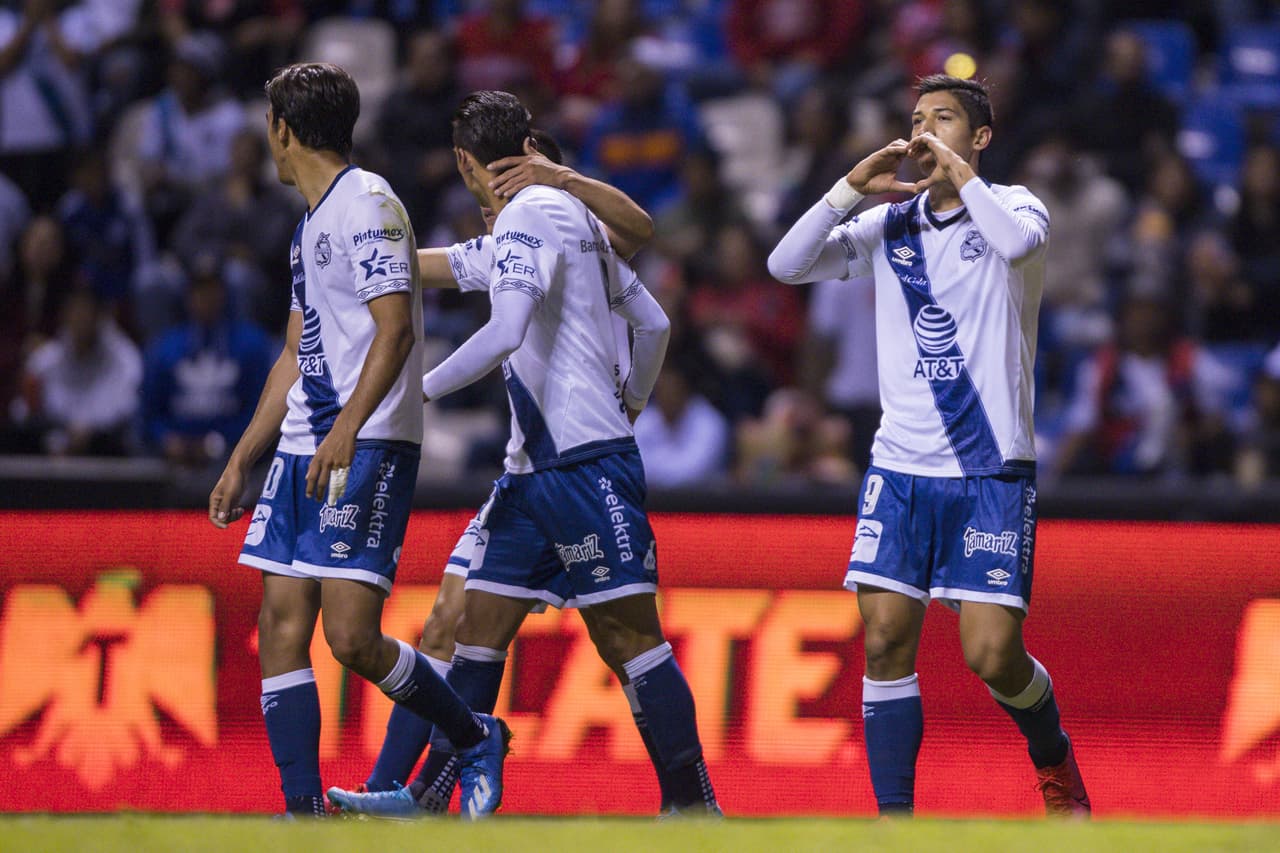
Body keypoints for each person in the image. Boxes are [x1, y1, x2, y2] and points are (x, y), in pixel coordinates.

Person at [328, 90, 720, 817]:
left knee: (629, 635)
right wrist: (354, 256)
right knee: (470, 630)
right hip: (538, 470)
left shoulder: (530, 216)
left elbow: (505, 329)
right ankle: (416, 795)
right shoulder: (563, 223)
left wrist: (412, 394)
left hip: (579, 463)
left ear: (464, 163)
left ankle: (694, 807)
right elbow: (654, 320)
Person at [768, 74, 1089, 817]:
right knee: (883, 638)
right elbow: (785, 265)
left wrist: (957, 173)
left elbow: (1015, 243)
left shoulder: (1013, 204)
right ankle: (895, 823)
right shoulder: (890, 226)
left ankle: (1053, 756)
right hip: (899, 465)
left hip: (989, 468)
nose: (924, 130)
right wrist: (850, 187)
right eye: (916, 119)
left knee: (991, 655)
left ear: (978, 137)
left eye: (943, 118)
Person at [205, 62, 508, 820]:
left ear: (284, 129)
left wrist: (344, 428)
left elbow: (397, 328)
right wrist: (246, 454)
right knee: (279, 625)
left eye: (268, 124)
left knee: (349, 636)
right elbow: (293, 350)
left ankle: (474, 736)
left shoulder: (368, 203)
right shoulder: (312, 224)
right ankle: (303, 812)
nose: (265, 141)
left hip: (365, 439)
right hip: (308, 441)